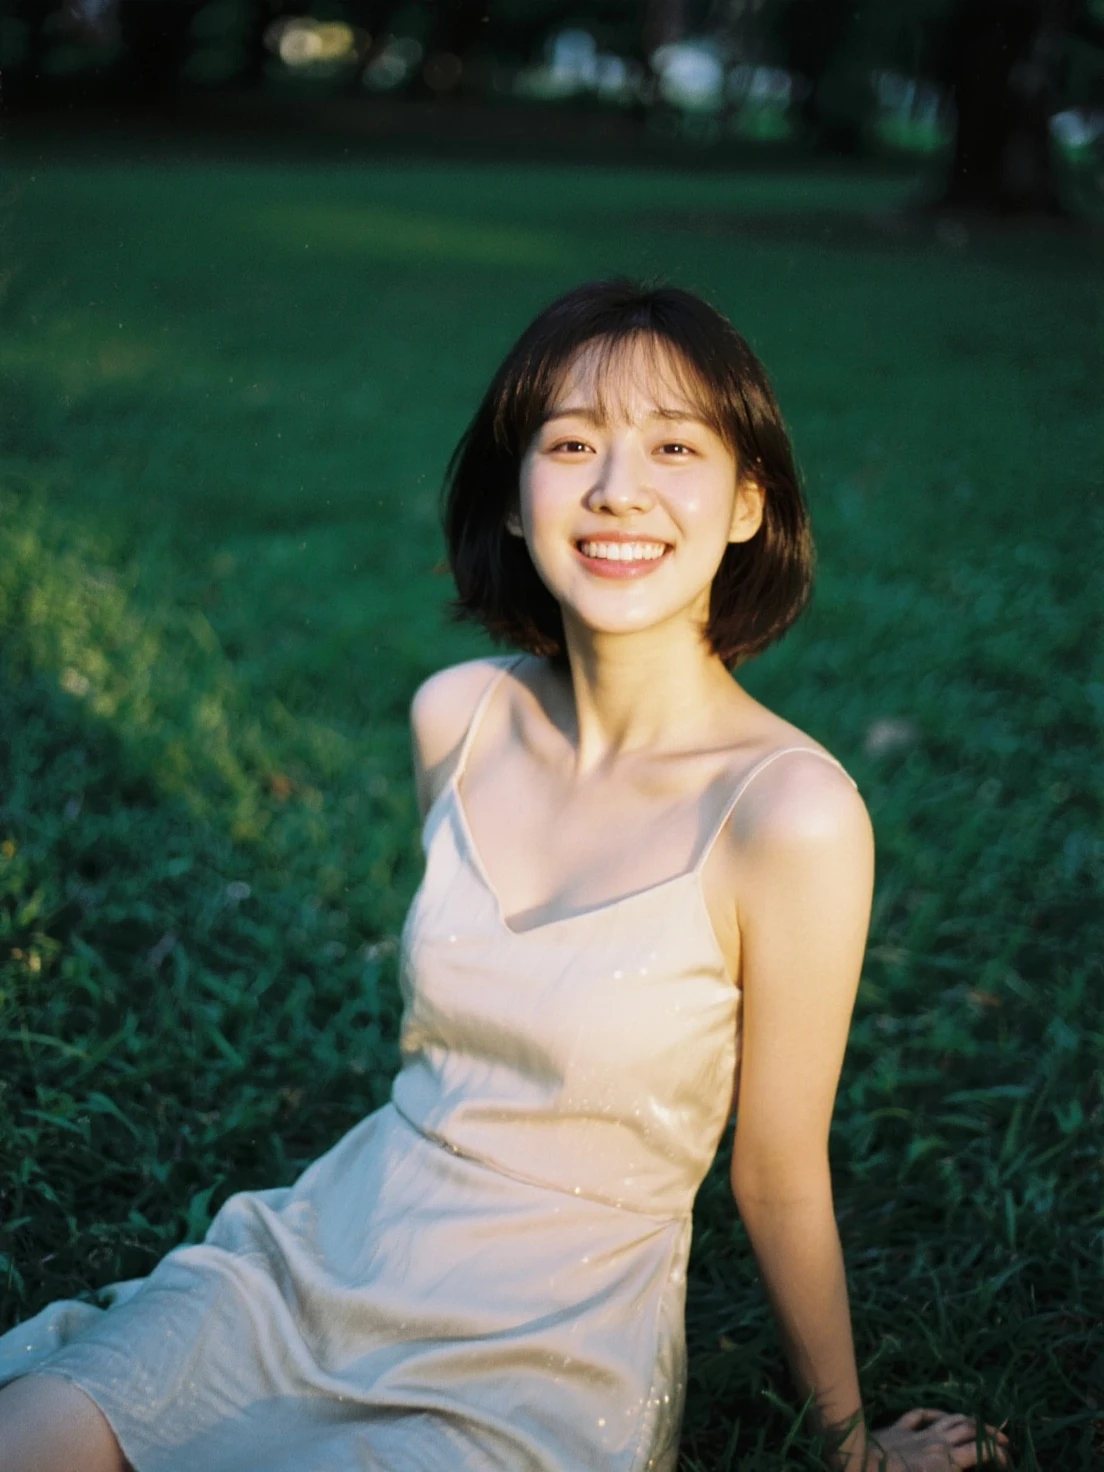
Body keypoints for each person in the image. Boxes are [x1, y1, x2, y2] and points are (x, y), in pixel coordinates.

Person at [0, 280, 1010, 1472]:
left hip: (552, 1332)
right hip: (333, 1245)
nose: (616, 486)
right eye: (572, 441)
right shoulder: (458, 717)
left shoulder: (791, 814)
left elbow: (777, 1170)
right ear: (518, 495)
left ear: (748, 505)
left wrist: (852, 1448)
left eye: (673, 445)